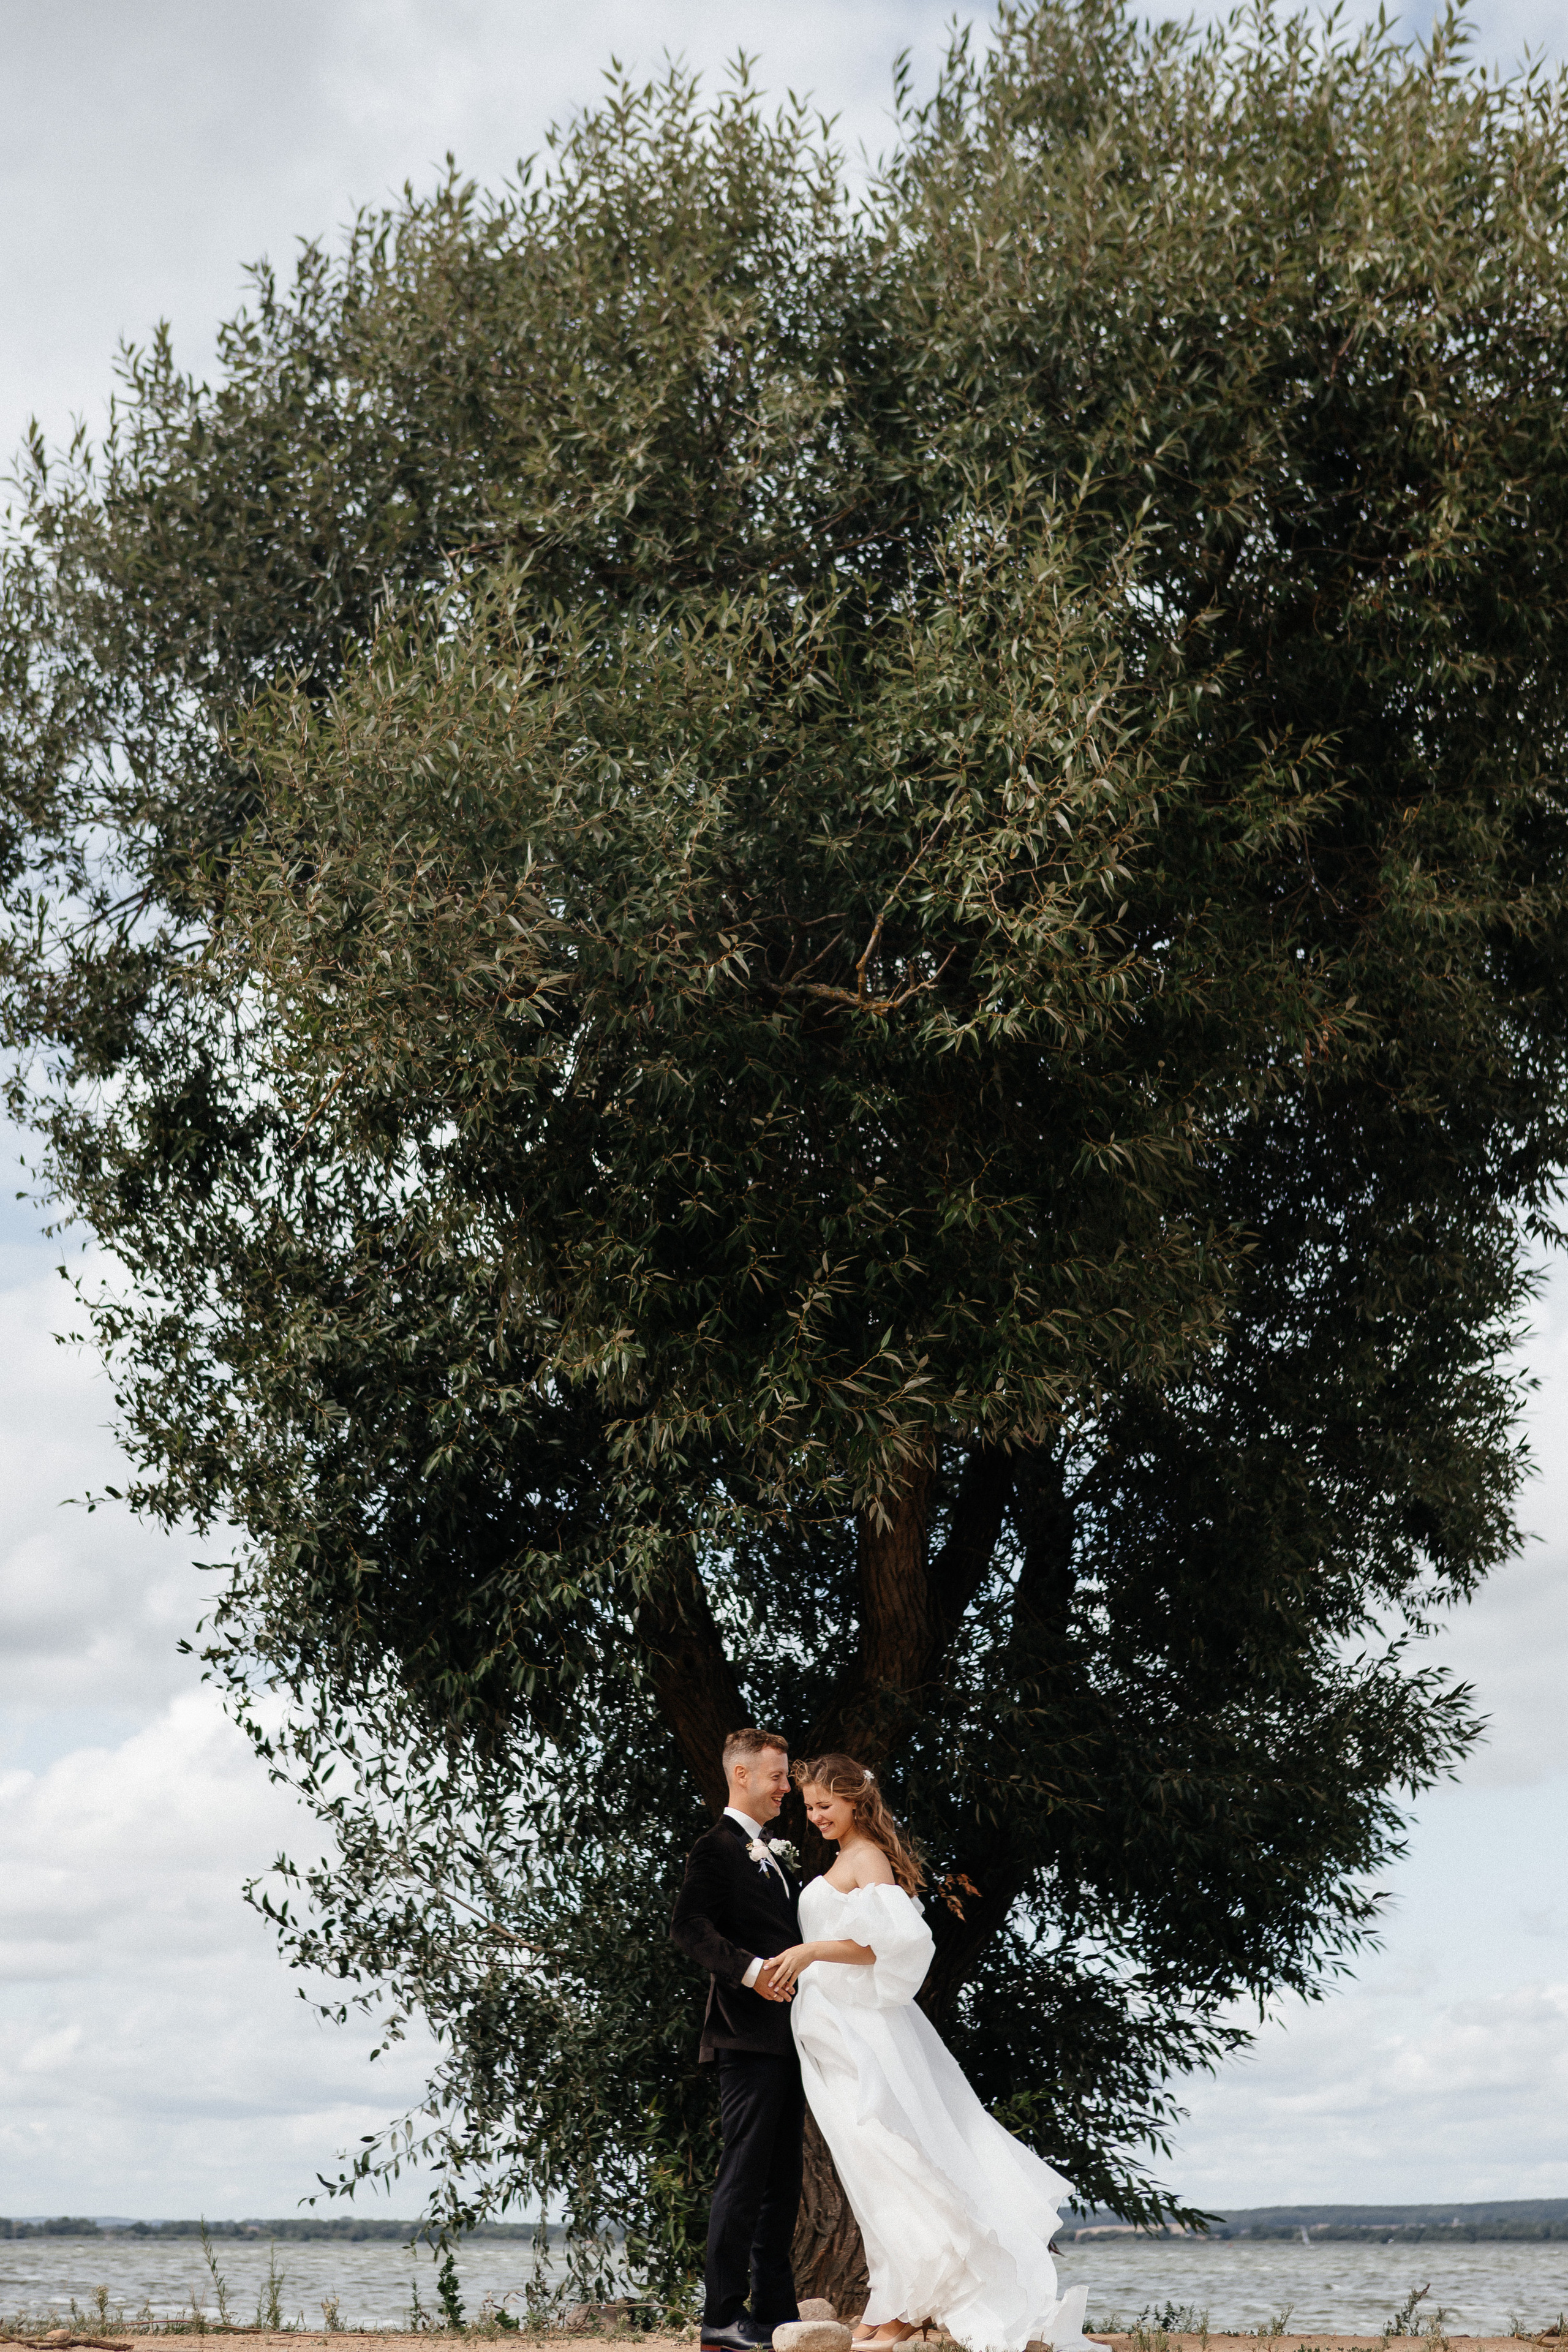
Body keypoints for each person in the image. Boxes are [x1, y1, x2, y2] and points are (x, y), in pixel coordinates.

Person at [760, 1752, 1094, 2352]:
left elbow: (898, 1944)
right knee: (866, 2168)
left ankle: (909, 2301)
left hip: (861, 2032)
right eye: (808, 1807)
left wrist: (810, 1954)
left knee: (891, 2159)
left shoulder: (866, 1859)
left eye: (824, 1806)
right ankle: (890, 2296)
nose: (813, 1817)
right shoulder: (845, 1859)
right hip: (828, 2032)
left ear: (854, 1802)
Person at [671, 1727, 807, 2352]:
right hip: (745, 2036)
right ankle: (721, 2318)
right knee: (743, 2175)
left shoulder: (775, 1850)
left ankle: (775, 2312)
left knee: (782, 2178)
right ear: (743, 1776)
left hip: (787, 2038)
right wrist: (751, 1973)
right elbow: (688, 1926)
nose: (787, 1787)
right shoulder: (716, 1848)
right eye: (777, 1776)